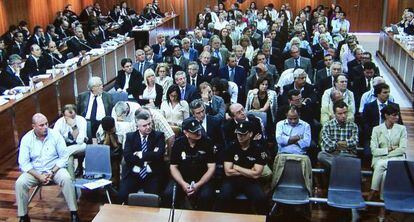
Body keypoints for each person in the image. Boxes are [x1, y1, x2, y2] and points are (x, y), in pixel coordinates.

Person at [15, 113, 79, 222]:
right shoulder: (26, 139)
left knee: (66, 179)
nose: (45, 127)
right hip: (35, 171)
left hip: (54, 169)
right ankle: (23, 216)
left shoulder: (55, 135)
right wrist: (39, 176)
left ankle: (74, 213)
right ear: (33, 126)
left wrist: (52, 172)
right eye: (41, 125)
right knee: (20, 183)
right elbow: (24, 163)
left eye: (46, 124)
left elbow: (64, 156)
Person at [163, 118, 216, 210]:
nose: (198, 132)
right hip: (182, 179)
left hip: (202, 179)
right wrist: (183, 184)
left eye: (198, 130)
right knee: (168, 194)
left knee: (206, 196)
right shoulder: (178, 143)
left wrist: (198, 185)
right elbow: (173, 167)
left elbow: (211, 167)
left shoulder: (207, 142)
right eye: (194, 131)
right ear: (186, 133)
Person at [216, 121, 267, 214]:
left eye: (243, 134)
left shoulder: (258, 149)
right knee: (223, 197)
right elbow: (228, 172)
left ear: (250, 134)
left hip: (250, 181)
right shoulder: (230, 147)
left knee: (261, 199)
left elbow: (256, 174)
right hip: (232, 180)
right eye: (238, 133)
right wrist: (249, 171)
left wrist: (236, 167)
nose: (240, 136)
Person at [368, 104, 407, 220]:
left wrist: (386, 154)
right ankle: (382, 209)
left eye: (397, 115)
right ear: (386, 116)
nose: (397, 118)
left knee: (381, 165)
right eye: (394, 115)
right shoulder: (377, 129)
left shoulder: (402, 129)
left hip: (395, 159)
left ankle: (371, 193)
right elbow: (374, 150)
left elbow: (402, 149)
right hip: (380, 159)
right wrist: (389, 149)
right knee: (385, 174)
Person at [118, 111, 166, 204]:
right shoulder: (130, 136)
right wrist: (148, 158)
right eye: (144, 125)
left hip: (152, 174)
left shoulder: (159, 136)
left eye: (149, 124)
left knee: (154, 197)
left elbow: (159, 155)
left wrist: (140, 154)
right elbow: (128, 157)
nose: (148, 127)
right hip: (133, 174)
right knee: (122, 195)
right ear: (138, 127)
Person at [318, 101, 358, 170]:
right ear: (334, 114)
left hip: (347, 155)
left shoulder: (353, 126)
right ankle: (342, 167)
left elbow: (355, 142)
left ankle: (338, 166)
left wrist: (336, 144)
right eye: (340, 113)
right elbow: (327, 146)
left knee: (353, 157)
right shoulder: (327, 125)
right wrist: (345, 144)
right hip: (332, 155)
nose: (343, 116)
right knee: (321, 155)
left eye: (345, 112)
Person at [53, 104, 87, 179]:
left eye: (73, 117)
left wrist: (74, 126)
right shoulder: (59, 122)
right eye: (68, 117)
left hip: (78, 146)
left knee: (84, 146)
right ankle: (72, 181)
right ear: (63, 115)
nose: (71, 119)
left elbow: (80, 141)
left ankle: (63, 155)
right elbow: (54, 139)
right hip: (65, 147)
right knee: (69, 159)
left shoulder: (81, 120)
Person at [77, 76, 113, 143]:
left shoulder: (108, 96)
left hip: (102, 123)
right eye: (99, 85)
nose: (102, 87)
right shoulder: (82, 96)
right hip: (87, 122)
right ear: (93, 88)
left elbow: (111, 112)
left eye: (101, 84)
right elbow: (78, 112)